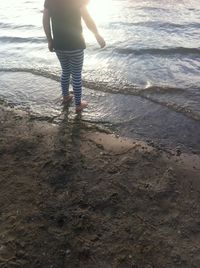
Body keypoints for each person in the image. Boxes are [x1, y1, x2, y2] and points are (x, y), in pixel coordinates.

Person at [43, 0, 106, 112]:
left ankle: (66, 96)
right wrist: (97, 34)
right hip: (75, 44)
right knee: (76, 74)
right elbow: (87, 18)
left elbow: (45, 20)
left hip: (59, 45)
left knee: (65, 71)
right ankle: (78, 104)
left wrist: (49, 40)